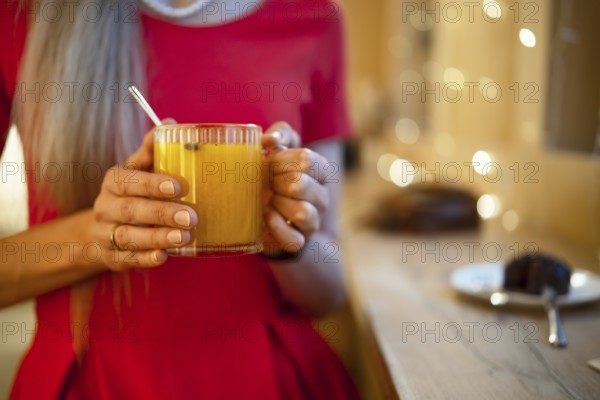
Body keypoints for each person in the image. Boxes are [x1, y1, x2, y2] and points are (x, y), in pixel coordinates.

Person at [0, 0, 360, 398]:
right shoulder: (20, 17)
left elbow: (329, 293)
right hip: (95, 381)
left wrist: (285, 236)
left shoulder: (311, 17)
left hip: (264, 377)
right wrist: (95, 237)